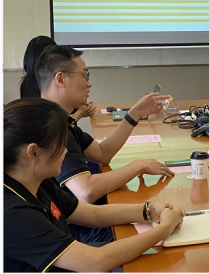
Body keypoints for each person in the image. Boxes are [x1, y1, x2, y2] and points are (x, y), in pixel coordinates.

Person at [4, 98, 185, 272]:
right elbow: (95, 262)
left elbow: (94, 214)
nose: (66, 151)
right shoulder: (13, 212)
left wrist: (149, 209)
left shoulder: (37, 181)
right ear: (34, 153)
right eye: (60, 144)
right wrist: (164, 229)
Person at [34, 44, 176, 243]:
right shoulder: (50, 127)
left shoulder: (59, 119)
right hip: (79, 230)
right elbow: (86, 191)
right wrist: (138, 165)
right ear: (60, 79)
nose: (89, 84)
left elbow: (102, 153)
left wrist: (135, 113)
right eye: (85, 75)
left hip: (86, 217)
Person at [20, 35, 97, 122]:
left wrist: (79, 107)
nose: (89, 84)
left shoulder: (26, 85)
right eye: (84, 75)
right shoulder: (47, 119)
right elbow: (66, 125)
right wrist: (80, 113)